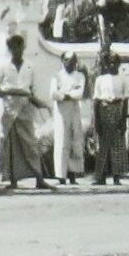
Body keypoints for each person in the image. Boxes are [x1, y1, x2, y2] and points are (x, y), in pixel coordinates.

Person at [0, 34, 49, 189]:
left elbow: (32, 89)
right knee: (9, 144)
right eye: (13, 47)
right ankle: (12, 180)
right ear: (10, 49)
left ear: (23, 47)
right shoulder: (3, 68)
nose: (17, 50)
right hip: (9, 109)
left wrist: (37, 102)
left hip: (25, 107)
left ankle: (39, 178)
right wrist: (6, 95)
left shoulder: (30, 67)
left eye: (19, 46)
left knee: (30, 144)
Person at [92, 52, 128, 185]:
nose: (113, 65)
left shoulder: (123, 79)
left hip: (117, 109)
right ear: (107, 64)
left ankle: (116, 176)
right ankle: (100, 177)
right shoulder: (100, 79)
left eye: (116, 63)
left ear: (119, 64)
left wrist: (123, 121)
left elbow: (125, 101)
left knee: (117, 144)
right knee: (102, 145)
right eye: (111, 62)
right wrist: (97, 121)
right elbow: (96, 100)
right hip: (104, 109)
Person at [51, 51, 87, 185]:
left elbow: (79, 93)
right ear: (63, 61)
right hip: (61, 113)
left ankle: (73, 175)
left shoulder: (80, 76)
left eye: (73, 61)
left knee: (75, 142)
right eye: (68, 60)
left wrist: (65, 95)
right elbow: (54, 94)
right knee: (61, 143)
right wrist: (67, 95)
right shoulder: (57, 76)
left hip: (75, 111)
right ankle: (61, 176)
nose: (71, 63)